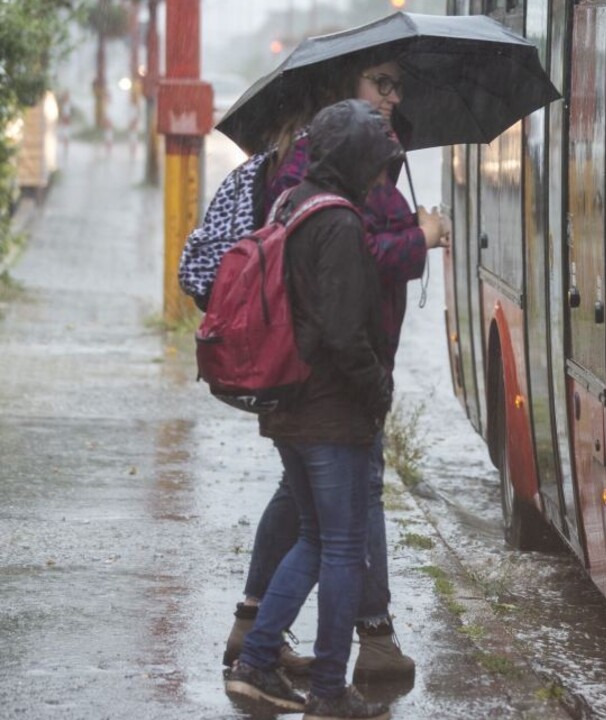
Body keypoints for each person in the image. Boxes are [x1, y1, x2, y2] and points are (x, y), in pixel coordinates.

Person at [221, 51, 451, 681]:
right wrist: (420, 238)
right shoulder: (323, 181)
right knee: (341, 530)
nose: (393, 97)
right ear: (345, 87)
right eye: (382, 83)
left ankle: (259, 639)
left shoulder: (340, 170)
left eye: (399, 86)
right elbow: (347, 272)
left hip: (316, 387)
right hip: (332, 387)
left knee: (312, 522)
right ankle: (356, 652)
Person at [223, 98, 398, 720]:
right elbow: (344, 335)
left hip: (288, 405)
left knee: (315, 538)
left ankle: (255, 661)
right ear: (355, 159)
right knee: (344, 549)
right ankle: (328, 689)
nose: (381, 173)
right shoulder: (340, 224)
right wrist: (378, 389)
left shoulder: (291, 203)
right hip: (331, 413)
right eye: (376, 159)